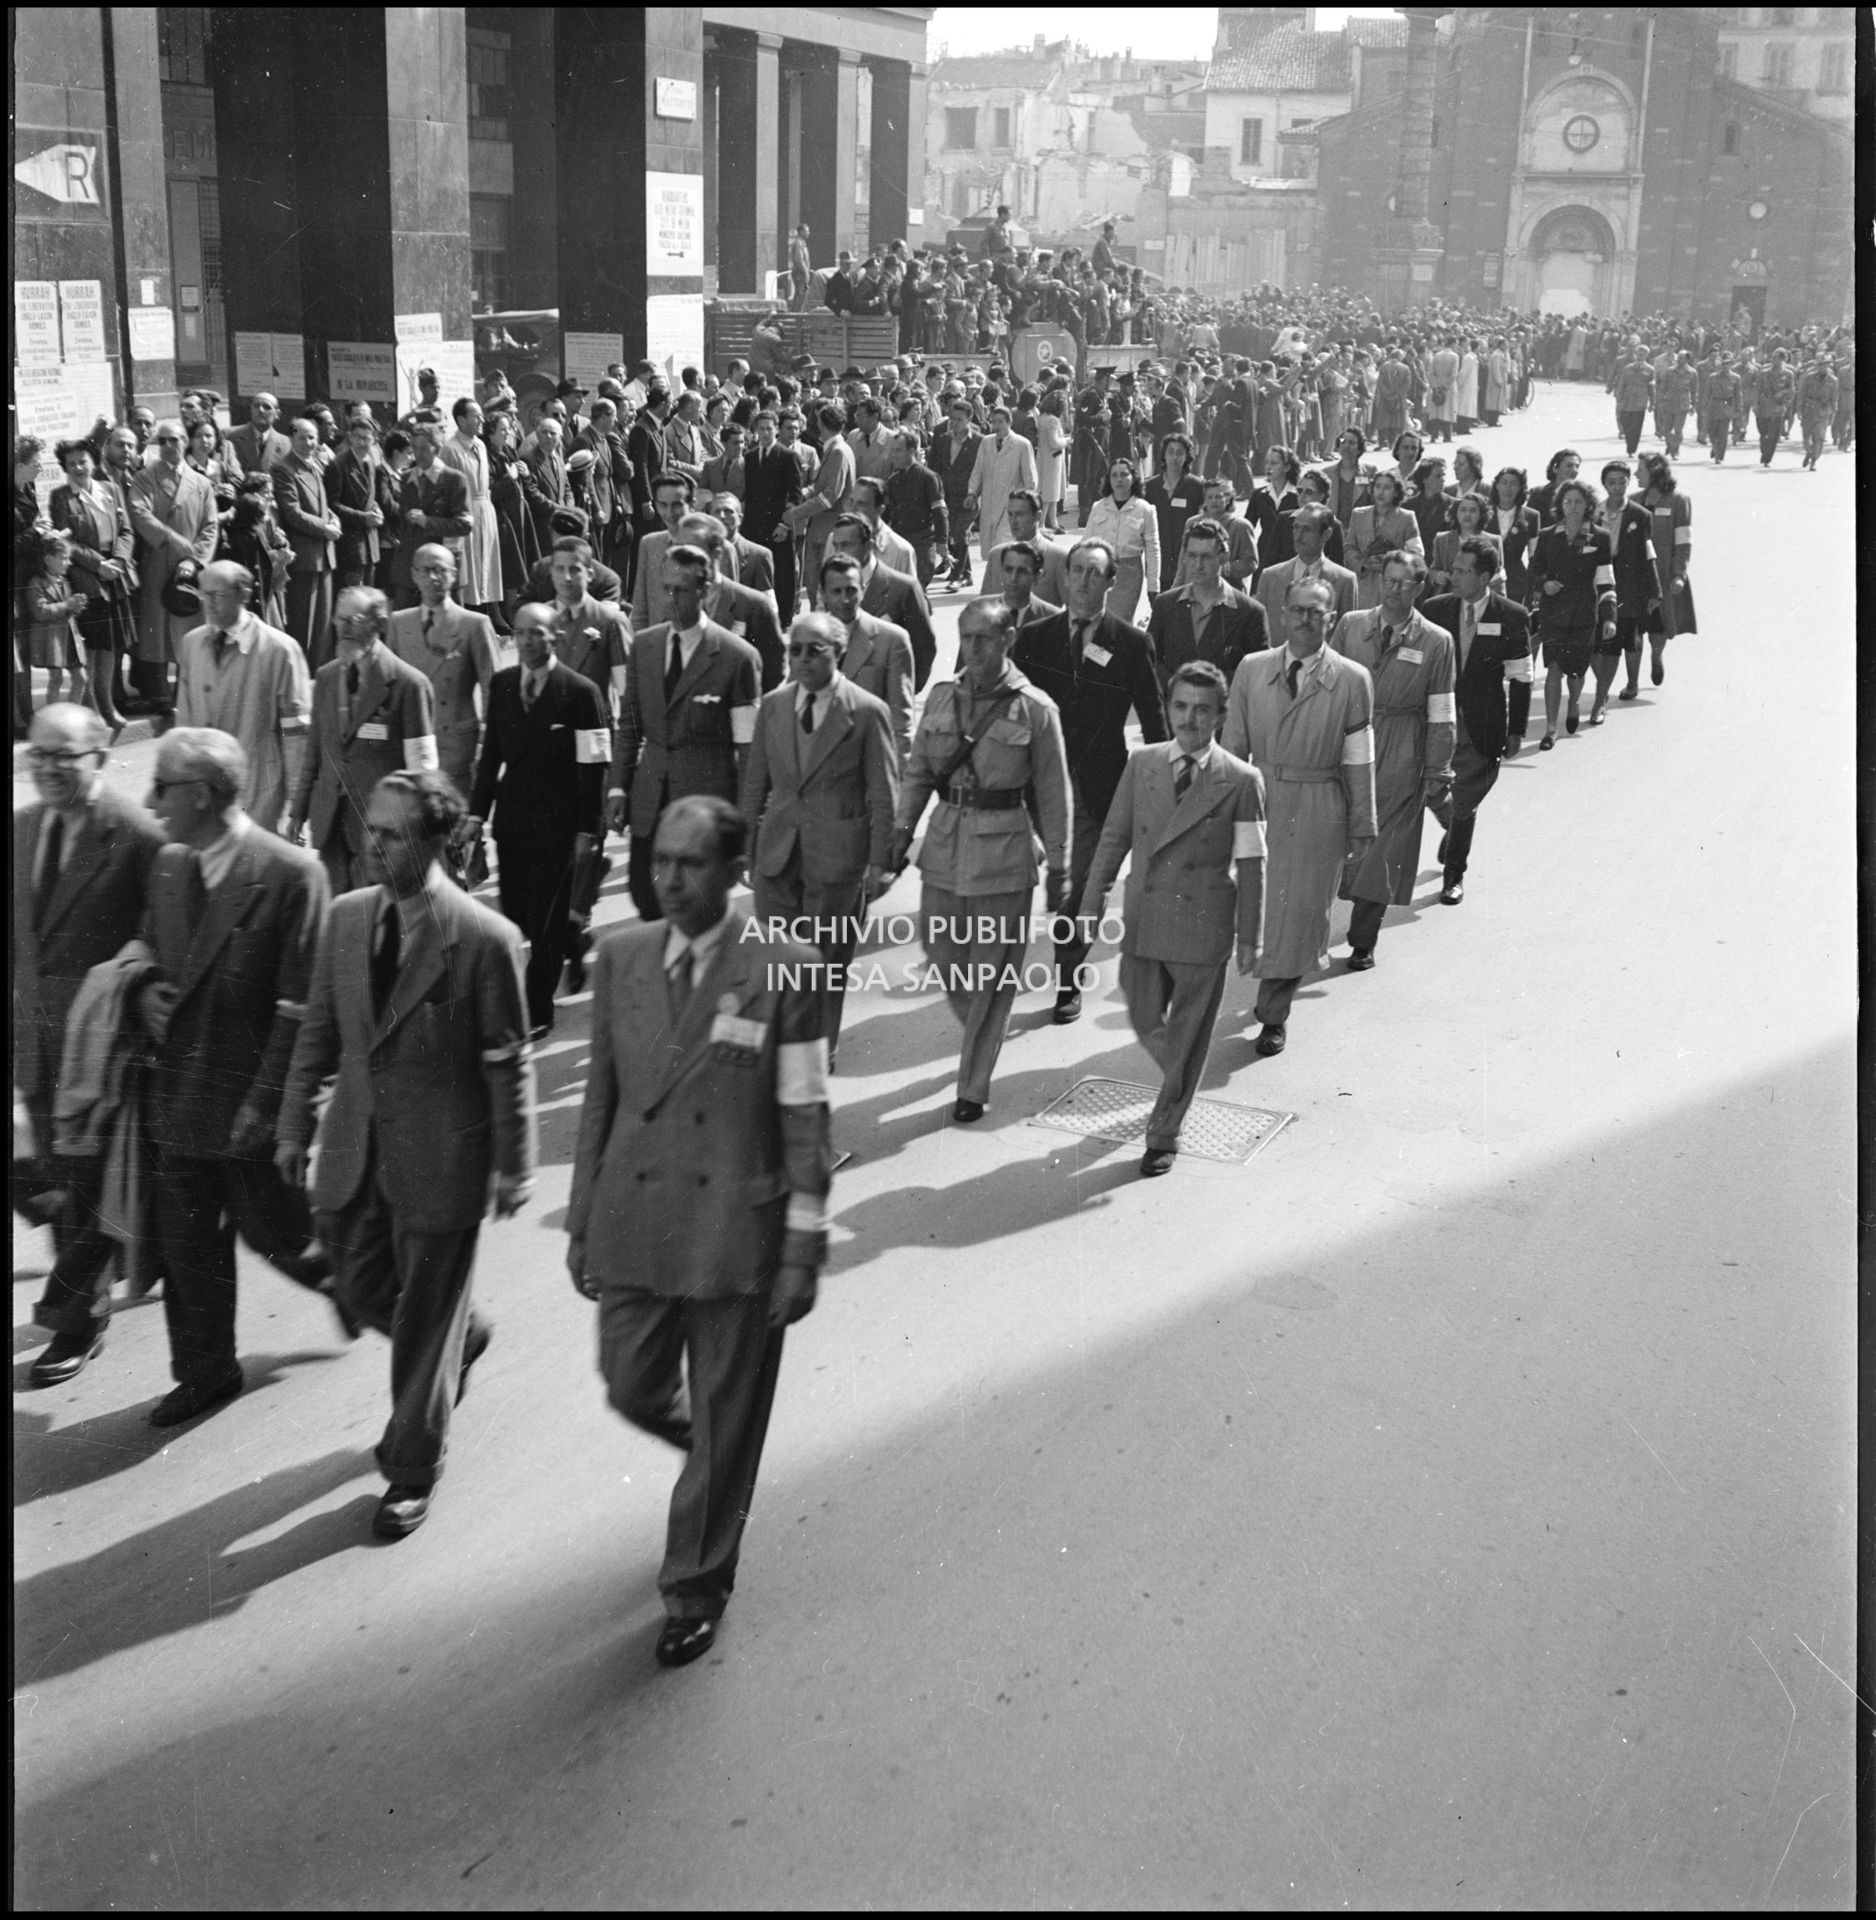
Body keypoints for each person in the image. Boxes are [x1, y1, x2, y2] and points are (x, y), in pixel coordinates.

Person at [567, 794, 831, 1667]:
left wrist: (801, 1249)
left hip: (735, 1235)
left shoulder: (783, 964)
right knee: (630, 1384)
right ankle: (716, 1460)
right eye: (660, 863)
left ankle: (695, 1585)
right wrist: (580, 1223)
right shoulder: (622, 955)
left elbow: (804, 1115)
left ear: (734, 873)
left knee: (725, 1419)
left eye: (689, 864)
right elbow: (599, 1100)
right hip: (636, 1222)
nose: (668, 880)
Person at [278, 770, 535, 1539]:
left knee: (422, 1322)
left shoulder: (486, 938)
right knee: (356, 1285)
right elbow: (318, 1035)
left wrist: (514, 1162)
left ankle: (411, 1468)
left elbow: (506, 1058)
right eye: (370, 828)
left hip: (445, 1157)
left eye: (389, 834)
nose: (368, 844)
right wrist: (295, 1123)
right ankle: (468, 1335)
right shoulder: (348, 919)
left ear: (435, 840)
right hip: (357, 1146)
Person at [135, 726, 336, 1428]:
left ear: (199, 794)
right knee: (187, 1245)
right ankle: (205, 1370)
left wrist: (274, 1104)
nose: (149, 800)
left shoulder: (290, 873)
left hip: (251, 1107)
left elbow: (302, 1010)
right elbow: (146, 948)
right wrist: (141, 989)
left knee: (290, 1243)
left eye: (161, 786)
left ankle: (436, 1324)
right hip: (178, 1098)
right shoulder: (168, 865)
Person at [14, 704, 165, 1386]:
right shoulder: (21, 829)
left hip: (101, 1048)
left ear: (100, 757)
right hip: (34, 1040)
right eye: (36, 755)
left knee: (81, 1180)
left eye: (62, 756)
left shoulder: (136, 835)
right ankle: (118, 1259)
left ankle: (77, 1319)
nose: (45, 767)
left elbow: (164, 939)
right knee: (46, 1170)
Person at [1078, 661, 1266, 1177]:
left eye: (1203, 710)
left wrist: (1251, 935)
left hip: (1203, 925)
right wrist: (1091, 903)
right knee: (1143, 1018)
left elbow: (1252, 862)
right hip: (1145, 915)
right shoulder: (1142, 763)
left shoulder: (1242, 780)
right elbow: (1113, 838)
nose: (1190, 719)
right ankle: (1180, 1080)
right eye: (1181, 706)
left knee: (1186, 1034)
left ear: (1221, 716)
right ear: (1168, 708)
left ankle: (1164, 1131)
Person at [888, 599, 1071, 1121]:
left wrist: (1060, 865)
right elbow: (919, 771)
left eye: (985, 639)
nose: (974, 649)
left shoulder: (1035, 708)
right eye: (967, 638)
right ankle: (983, 1033)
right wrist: (902, 832)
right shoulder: (943, 699)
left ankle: (972, 1086)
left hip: (1005, 855)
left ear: (1007, 641)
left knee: (992, 975)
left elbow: (1054, 796)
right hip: (944, 847)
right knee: (942, 953)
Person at [1012, 538, 1168, 1023]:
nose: (1081, 581)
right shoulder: (1034, 638)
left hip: (1101, 790)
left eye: (1093, 573)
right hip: (1040, 791)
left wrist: (1162, 785)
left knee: (1082, 889)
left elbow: (1155, 720)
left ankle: (1067, 978)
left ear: (1110, 581)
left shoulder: (1130, 642)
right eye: (1075, 570)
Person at [1220, 576, 1376, 1056]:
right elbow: (1231, 748)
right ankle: (1267, 994)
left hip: (1317, 806)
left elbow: (1359, 757)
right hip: (1261, 804)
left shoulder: (1352, 680)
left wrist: (1362, 822)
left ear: (1332, 619)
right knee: (1263, 912)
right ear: (1283, 615)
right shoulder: (1251, 669)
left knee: (1301, 912)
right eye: (1298, 610)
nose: (1307, 619)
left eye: (1317, 612)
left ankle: (1274, 1013)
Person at [739, 610, 898, 1057]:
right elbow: (755, 781)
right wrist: (744, 847)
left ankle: (817, 1050)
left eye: (815, 650)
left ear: (840, 653)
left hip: (838, 859)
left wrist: (881, 863)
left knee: (826, 962)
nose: (803, 659)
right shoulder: (773, 705)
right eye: (795, 650)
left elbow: (885, 795)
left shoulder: (867, 712)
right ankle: (784, 1043)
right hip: (778, 852)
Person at [467, 601, 611, 1036]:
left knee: (543, 918)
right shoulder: (505, 684)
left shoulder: (581, 692)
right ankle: (572, 937)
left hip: (559, 821)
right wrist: (476, 814)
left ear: (556, 639)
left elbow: (594, 766)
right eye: (522, 633)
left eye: (538, 634)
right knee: (516, 913)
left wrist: (589, 828)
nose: (528, 642)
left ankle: (538, 1007)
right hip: (511, 820)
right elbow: (491, 752)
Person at [608, 544, 762, 923]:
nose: (670, 599)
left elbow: (748, 751)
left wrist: (745, 823)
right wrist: (616, 788)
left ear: (706, 592)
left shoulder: (735, 656)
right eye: (665, 588)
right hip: (651, 799)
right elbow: (629, 726)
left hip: (705, 806)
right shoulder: (644, 646)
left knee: (697, 909)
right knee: (646, 898)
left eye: (681, 589)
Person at [1330, 551, 1455, 968]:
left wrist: (1437, 767)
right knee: (1333, 835)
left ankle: (1363, 939)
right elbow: (1324, 681)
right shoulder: (1350, 625)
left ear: (1420, 588)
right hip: (1349, 740)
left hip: (1403, 747)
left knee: (1384, 845)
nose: (1395, 588)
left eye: (1405, 582)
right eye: (1389, 579)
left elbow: (1440, 709)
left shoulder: (1436, 642)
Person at [289, 587, 439, 891]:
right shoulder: (327, 678)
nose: (343, 630)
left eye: (353, 621)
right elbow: (314, 755)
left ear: (379, 624)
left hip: (381, 832)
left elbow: (422, 773)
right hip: (330, 822)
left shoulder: (409, 685)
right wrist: (298, 812)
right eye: (338, 620)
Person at [1419, 536, 1532, 906]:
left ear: (1484, 577)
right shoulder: (1434, 609)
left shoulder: (1512, 615)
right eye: (1454, 568)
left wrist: (1517, 729)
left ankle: (1454, 875)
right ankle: (1452, 829)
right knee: (1432, 792)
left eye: (1463, 571)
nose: (1454, 576)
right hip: (1438, 721)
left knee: (1466, 801)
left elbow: (1520, 677)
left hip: (1482, 725)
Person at [174, 560, 312, 835]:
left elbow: (296, 733)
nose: (208, 603)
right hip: (204, 788)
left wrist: (296, 804)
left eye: (219, 595)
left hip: (258, 790)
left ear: (244, 595)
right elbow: (185, 720)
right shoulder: (192, 643)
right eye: (203, 594)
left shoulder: (280, 649)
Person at [386, 543, 502, 798]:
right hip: (412, 741)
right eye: (425, 571)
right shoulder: (398, 623)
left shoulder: (475, 624)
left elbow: (492, 688)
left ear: (454, 573)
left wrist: (487, 742)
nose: (433, 578)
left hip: (457, 744)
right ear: (413, 575)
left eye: (440, 570)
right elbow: (389, 686)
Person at [128, 419, 219, 717]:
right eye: (163, 441)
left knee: (187, 628)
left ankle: (186, 692)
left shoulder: (201, 482)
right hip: (157, 561)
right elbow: (139, 513)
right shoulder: (145, 478)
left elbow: (210, 526)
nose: (169, 446)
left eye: (176, 440)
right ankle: (159, 695)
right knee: (156, 630)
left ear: (186, 442)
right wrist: (173, 540)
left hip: (189, 569)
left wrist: (195, 560)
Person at [50, 437, 137, 731]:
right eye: (71, 463)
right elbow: (68, 542)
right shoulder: (60, 497)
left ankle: (108, 705)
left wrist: (120, 562)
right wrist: (99, 565)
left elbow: (125, 530)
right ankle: (95, 712)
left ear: (93, 462)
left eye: (83, 461)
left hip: (116, 575)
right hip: (88, 579)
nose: (78, 467)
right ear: (65, 468)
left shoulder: (110, 489)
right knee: (94, 649)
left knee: (111, 646)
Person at [1526, 479, 1616, 749]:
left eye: (1578, 502)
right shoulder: (1547, 535)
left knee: (1576, 672)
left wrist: (1610, 615)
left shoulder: (1599, 536)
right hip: (1553, 612)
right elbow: (1533, 571)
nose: (1572, 507)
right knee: (1553, 668)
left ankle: (1575, 702)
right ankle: (1551, 728)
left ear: (1588, 505)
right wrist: (1545, 583)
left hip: (1583, 614)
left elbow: (1605, 580)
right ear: (1560, 505)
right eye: (1567, 502)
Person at [1147, 516, 1270, 699]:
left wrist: (1209, 689)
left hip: (1225, 719)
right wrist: (1176, 684)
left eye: (1206, 557)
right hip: (1173, 715)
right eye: (1192, 556)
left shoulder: (1250, 613)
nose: (1198, 565)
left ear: (1224, 557)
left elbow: (1258, 671)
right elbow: (1149, 659)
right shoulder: (1165, 605)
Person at [816, 555, 914, 761]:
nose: (844, 599)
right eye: (836, 591)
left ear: (862, 591)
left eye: (851, 590)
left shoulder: (892, 640)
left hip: (870, 762)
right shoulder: (810, 636)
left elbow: (901, 723)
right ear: (823, 594)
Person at [825, 513, 936, 691]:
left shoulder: (904, 588)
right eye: (835, 545)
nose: (839, 553)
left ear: (868, 546)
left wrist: (901, 692)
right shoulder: (830, 584)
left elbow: (924, 649)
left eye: (846, 545)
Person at [273, 415, 344, 669]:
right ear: (291, 438)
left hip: (324, 553)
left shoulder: (315, 464)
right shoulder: (284, 468)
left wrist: (333, 520)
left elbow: (323, 505)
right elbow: (292, 512)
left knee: (323, 622)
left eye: (312, 437)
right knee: (303, 622)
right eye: (302, 437)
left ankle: (318, 673)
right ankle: (300, 673)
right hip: (305, 555)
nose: (308, 442)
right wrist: (325, 529)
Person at [1589, 459, 1656, 727]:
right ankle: (1602, 687)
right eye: (1611, 482)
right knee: (1593, 645)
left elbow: (1647, 553)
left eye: (1622, 482)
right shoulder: (1593, 512)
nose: (1617, 487)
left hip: (1628, 584)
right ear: (1604, 484)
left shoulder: (1641, 515)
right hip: (1596, 583)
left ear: (1628, 483)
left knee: (1615, 644)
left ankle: (1599, 700)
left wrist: (1654, 590)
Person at [544, 535, 632, 721]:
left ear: (590, 574)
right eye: (559, 569)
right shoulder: (539, 618)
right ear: (551, 573)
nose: (566, 577)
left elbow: (625, 690)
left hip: (593, 728)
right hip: (547, 730)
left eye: (575, 569)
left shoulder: (610, 621)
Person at [1628, 452, 1695, 696]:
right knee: (1633, 630)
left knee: (1659, 627)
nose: (1635, 474)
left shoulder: (1678, 501)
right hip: (1635, 577)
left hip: (1663, 575)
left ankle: (1656, 656)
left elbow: (1683, 542)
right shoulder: (1633, 500)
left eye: (1641, 470)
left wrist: (1679, 574)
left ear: (1655, 473)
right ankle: (1632, 683)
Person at [388, 420, 471, 607]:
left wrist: (428, 522)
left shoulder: (454, 479)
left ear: (437, 448)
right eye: (414, 448)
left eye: (425, 448)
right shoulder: (406, 478)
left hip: (443, 567)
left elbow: (465, 525)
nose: (418, 454)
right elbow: (403, 524)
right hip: (410, 568)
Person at [1081, 459, 1159, 626]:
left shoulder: (1145, 509)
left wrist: (1153, 584)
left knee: (1120, 622)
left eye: (1124, 474)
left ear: (1133, 478)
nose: (1119, 479)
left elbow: (1153, 549)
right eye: (1114, 475)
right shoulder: (1099, 507)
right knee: (1097, 620)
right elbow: (1086, 543)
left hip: (1129, 574)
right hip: (1100, 572)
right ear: (1109, 480)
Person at [1256, 503, 1356, 635]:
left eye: (1307, 529)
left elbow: (1346, 635)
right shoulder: (1270, 576)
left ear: (1326, 534)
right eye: (1296, 528)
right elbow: (1258, 632)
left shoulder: (1345, 580)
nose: (1298, 536)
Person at [964, 403, 1039, 565]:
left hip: (1011, 506)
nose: (996, 426)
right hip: (989, 504)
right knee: (991, 551)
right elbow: (978, 471)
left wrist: (1027, 504)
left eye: (1000, 422)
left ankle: (1004, 584)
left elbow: (1030, 478)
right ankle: (995, 583)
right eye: (993, 422)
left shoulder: (1021, 444)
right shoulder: (986, 443)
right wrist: (972, 493)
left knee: (1004, 546)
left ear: (1009, 423)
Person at [22, 528, 88, 710]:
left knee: (80, 677)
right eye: (63, 558)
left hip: (68, 640)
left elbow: (67, 609)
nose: (68, 563)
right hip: (53, 641)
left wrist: (76, 607)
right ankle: (54, 717)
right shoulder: (37, 582)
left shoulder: (63, 581)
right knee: (56, 678)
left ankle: (73, 716)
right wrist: (67, 605)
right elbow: (40, 611)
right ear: (48, 560)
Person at [881, 429, 948, 593]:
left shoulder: (928, 477)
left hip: (921, 543)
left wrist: (942, 541)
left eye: (899, 450)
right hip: (900, 542)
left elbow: (940, 512)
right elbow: (886, 514)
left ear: (911, 451)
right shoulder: (893, 480)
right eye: (893, 450)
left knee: (916, 591)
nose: (894, 455)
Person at [1346, 470, 1425, 611]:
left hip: (1393, 585)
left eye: (1387, 488)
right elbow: (1349, 547)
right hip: (1363, 584)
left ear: (1396, 492)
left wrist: (1392, 560)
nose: (1381, 492)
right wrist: (1362, 564)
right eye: (1377, 486)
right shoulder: (1358, 514)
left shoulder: (1407, 517)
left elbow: (1417, 553)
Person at [927, 397, 982, 589]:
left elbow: (981, 471)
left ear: (969, 419)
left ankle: (959, 576)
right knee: (951, 535)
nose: (955, 423)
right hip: (947, 496)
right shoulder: (943, 440)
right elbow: (933, 466)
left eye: (959, 419)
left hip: (968, 497)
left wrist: (975, 494)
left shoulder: (979, 442)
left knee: (960, 533)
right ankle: (964, 573)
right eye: (952, 418)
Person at [328, 416, 385, 592]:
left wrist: (377, 510)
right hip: (350, 546)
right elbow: (332, 504)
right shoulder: (338, 464)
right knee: (350, 598)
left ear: (374, 440)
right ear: (350, 437)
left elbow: (369, 497)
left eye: (367, 438)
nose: (362, 442)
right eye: (358, 437)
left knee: (368, 596)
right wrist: (363, 518)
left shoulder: (370, 462)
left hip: (370, 544)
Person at [1144, 434, 1207, 592]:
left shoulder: (1196, 486)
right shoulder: (1150, 487)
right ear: (1163, 455)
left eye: (1180, 453)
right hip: (1159, 560)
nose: (1175, 457)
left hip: (1186, 560)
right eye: (1170, 452)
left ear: (1187, 457)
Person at [228, 393, 288, 478]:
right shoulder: (231, 437)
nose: (261, 410)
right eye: (256, 406)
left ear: (277, 414)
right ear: (251, 409)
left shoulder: (287, 444)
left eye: (267, 407)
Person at [1608, 345, 1654, 458]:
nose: (1640, 356)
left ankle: (1631, 448)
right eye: (1638, 354)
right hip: (1627, 400)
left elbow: (1652, 387)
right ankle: (1628, 440)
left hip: (1640, 401)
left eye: (1642, 354)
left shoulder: (1650, 370)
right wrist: (1619, 396)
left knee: (1636, 426)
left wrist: (1652, 402)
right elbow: (1622, 383)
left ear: (1646, 356)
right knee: (1625, 422)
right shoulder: (1628, 368)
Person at [1036, 390, 1069, 531]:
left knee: (1051, 491)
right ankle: (1043, 522)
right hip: (1053, 459)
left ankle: (1053, 521)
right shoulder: (1053, 420)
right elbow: (1054, 442)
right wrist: (1067, 440)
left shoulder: (1042, 417)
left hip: (1044, 457)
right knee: (1050, 493)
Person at [1702, 354, 1742, 464]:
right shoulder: (1713, 377)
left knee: (1723, 434)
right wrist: (1704, 406)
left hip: (1726, 404)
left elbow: (1738, 395)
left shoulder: (1736, 378)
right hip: (1714, 404)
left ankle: (1719, 455)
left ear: (1731, 364)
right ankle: (1715, 448)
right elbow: (1707, 392)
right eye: (1724, 363)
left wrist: (1738, 408)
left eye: (1728, 363)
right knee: (1712, 431)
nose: (1726, 366)